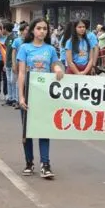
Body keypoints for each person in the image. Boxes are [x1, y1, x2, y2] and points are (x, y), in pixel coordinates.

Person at [17, 18, 65, 179]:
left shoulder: (50, 49)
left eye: (45, 29)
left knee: (44, 129)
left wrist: (58, 69)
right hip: (29, 92)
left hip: (44, 94)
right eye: (38, 28)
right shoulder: (24, 48)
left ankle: (45, 164)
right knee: (27, 130)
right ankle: (29, 162)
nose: (42, 31)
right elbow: (22, 72)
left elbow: (56, 65)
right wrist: (21, 96)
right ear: (32, 30)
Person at [8, 23, 29, 107]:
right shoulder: (17, 40)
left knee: (26, 83)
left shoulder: (30, 41)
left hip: (27, 65)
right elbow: (13, 53)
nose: (27, 31)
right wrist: (13, 64)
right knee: (17, 82)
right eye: (26, 29)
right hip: (18, 63)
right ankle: (17, 100)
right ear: (22, 31)